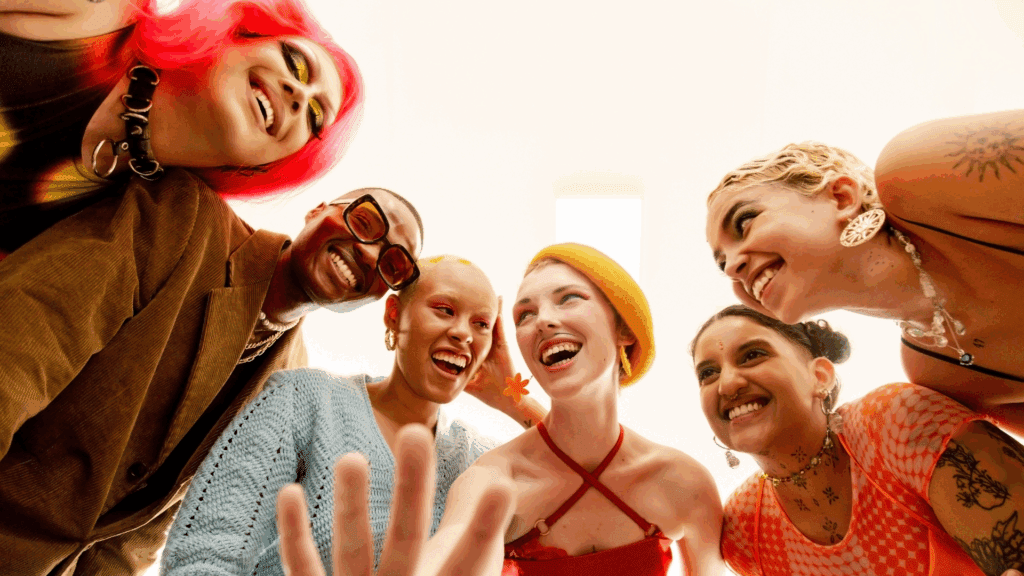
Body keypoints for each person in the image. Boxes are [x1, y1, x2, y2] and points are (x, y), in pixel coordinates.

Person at [0, 174, 421, 575]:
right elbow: (24, 347)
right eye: (365, 222)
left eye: (393, 265)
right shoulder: (185, 218)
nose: (370, 255)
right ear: (317, 210)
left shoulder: (290, 385)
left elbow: (150, 520)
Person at [161, 255, 541, 575]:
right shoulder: (305, 400)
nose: (464, 334)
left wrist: (515, 397)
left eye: (482, 324)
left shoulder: (479, 460)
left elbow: (579, 488)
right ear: (394, 315)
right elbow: (207, 552)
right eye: (445, 310)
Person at [704, 109, 1024, 433]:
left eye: (744, 222)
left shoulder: (914, 173)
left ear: (842, 197)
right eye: (721, 263)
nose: (732, 267)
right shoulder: (936, 371)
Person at [431, 243, 724, 576]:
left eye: (569, 298)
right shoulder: (490, 482)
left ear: (625, 329)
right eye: (525, 315)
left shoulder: (685, 482)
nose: (543, 320)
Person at [0, 0, 362, 256]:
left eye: (315, 116)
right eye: (297, 63)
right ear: (238, 34)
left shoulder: (136, 229)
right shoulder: (103, 12)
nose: (299, 95)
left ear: (264, 165)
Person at [691, 304, 1024, 576]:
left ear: (819, 376)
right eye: (708, 374)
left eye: (752, 355)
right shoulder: (744, 531)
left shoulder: (898, 422)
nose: (728, 384)